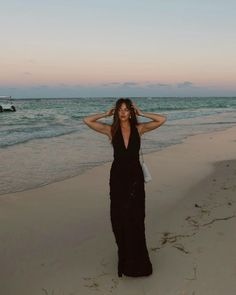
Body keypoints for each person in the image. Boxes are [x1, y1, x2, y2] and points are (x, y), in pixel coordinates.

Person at [83, 98, 166, 277]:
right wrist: (105, 114)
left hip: (135, 179)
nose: (122, 113)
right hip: (118, 178)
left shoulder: (139, 128)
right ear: (116, 112)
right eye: (120, 109)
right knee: (119, 217)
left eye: (126, 109)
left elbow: (162, 119)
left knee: (136, 218)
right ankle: (125, 260)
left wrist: (142, 113)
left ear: (131, 112)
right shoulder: (110, 130)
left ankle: (140, 264)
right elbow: (87, 120)